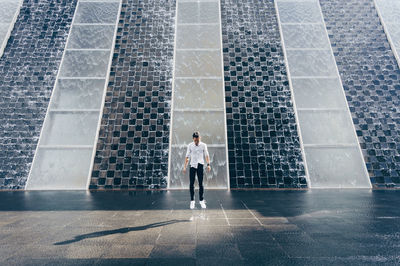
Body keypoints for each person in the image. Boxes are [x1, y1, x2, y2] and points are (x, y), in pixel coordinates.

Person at [183, 131, 211, 209]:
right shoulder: (190, 146)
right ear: (193, 139)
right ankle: (192, 201)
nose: (196, 142)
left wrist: (208, 164)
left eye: (197, 140)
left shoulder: (203, 145)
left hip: (200, 165)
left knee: (201, 183)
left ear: (200, 138)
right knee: (191, 184)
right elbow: (187, 156)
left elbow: (206, 155)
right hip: (192, 165)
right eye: (195, 140)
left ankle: (201, 201)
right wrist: (185, 166)